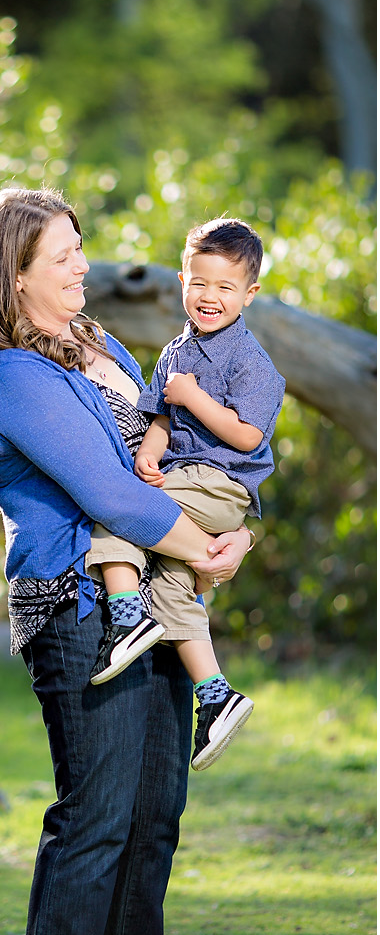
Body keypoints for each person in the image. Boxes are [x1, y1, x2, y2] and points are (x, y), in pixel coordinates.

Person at [0, 185, 252, 935]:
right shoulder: (10, 375)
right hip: (80, 609)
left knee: (156, 813)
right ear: (14, 274)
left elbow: (183, 445)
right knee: (96, 817)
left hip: (152, 593)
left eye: (81, 248)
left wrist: (237, 535)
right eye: (62, 257)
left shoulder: (102, 347)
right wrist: (202, 545)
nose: (84, 266)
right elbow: (108, 492)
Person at [86, 217, 285, 771]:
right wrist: (149, 451)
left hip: (221, 485)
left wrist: (195, 400)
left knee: (121, 508)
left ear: (250, 294)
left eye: (225, 288)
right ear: (181, 281)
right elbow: (161, 418)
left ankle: (127, 615)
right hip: (185, 477)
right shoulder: (175, 352)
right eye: (200, 283)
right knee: (176, 585)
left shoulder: (253, 364)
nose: (210, 297)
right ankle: (217, 695)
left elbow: (247, 435)